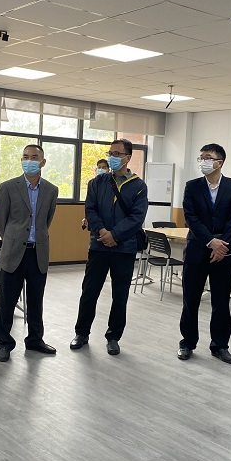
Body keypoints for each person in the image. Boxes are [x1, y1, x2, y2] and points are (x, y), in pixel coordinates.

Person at [71, 139, 148, 355]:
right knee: (89, 291)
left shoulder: (139, 186)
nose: (112, 157)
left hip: (124, 248)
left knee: (120, 295)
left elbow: (137, 217)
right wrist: (103, 232)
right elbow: (91, 209)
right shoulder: (97, 182)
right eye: (110, 153)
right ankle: (81, 333)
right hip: (98, 246)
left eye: (117, 153)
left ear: (128, 157)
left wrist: (115, 235)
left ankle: (113, 336)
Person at [177, 144, 231, 364]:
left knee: (221, 301)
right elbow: (191, 218)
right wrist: (210, 241)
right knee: (191, 299)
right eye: (201, 157)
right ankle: (187, 343)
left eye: (208, 157)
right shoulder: (192, 186)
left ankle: (220, 345)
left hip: (224, 251)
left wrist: (221, 245)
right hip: (197, 248)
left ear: (219, 162)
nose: (203, 161)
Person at [0, 144, 59, 362]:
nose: (28, 161)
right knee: (7, 300)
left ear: (43, 162)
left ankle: (35, 340)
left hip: (38, 252)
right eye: (25, 157)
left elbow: (47, 220)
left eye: (33, 157)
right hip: (13, 251)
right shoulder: (8, 187)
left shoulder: (51, 190)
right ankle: (4, 343)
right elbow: (0, 220)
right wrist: (12, 239)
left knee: (36, 299)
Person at [82, 159, 109, 230]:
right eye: (99, 167)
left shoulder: (111, 184)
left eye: (104, 167)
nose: (101, 169)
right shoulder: (92, 183)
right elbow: (89, 202)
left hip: (107, 220)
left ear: (108, 169)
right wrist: (86, 217)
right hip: (94, 219)